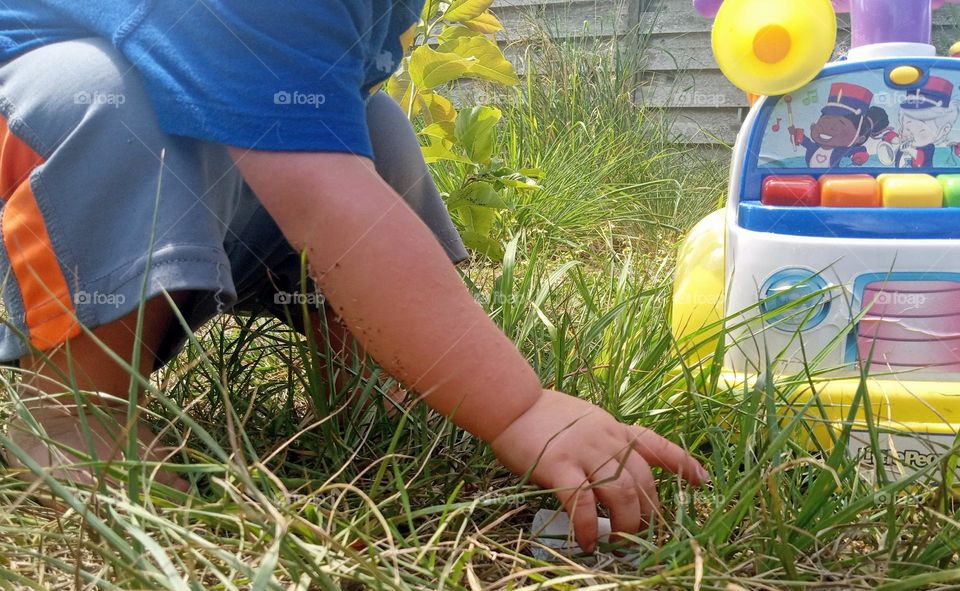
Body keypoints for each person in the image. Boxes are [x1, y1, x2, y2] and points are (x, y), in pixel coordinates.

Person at [0, 1, 707, 553]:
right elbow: (322, 197)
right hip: (36, 188)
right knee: (95, 93)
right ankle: (73, 405)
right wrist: (518, 407)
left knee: (370, 123)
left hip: (195, 190)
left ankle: (364, 388)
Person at [789, 82, 890, 168]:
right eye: (825, 120)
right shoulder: (814, 148)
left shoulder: (842, 152)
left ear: (860, 138)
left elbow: (858, 152)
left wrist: (859, 156)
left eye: (841, 123)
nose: (827, 127)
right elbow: (807, 143)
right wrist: (797, 135)